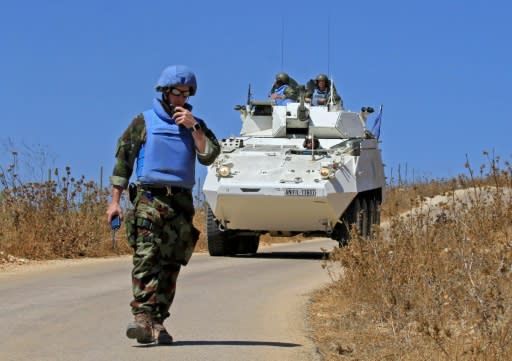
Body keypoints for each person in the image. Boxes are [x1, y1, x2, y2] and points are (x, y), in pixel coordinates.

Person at [106, 65, 220, 345]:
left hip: (180, 201)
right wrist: (115, 202)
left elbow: (210, 156)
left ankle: (158, 321)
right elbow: (123, 161)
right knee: (147, 256)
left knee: (171, 263)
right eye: (177, 93)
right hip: (149, 198)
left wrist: (194, 127)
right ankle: (142, 317)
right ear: (165, 93)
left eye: (186, 93)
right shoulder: (143, 122)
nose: (182, 98)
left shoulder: (195, 124)